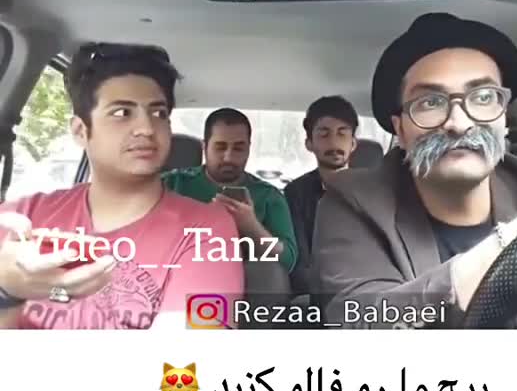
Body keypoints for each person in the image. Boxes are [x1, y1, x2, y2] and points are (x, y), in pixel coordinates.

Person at [310, 12, 517, 328]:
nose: (459, 123)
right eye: (430, 103)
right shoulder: (351, 203)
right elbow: (362, 321)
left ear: (503, 116)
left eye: (482, 97)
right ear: (401, 130)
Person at [0, 43, 244, 329]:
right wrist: (7, 294)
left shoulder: (209, 230)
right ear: (80, 131)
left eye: (159, 114)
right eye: (122, 113)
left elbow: (191, 353)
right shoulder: (20, 217)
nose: (147, 128)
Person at [162, 108, 297, 300]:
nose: (229, 157)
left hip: (243, 293)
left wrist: (250, 226)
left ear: (249, 149)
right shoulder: (172, 184)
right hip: (177, 281)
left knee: (269, 274)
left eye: (238, 148)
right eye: (220, 147)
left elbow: (287, 261)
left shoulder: (268, 196)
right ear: (205, 147)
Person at [284, 96, 358, 296]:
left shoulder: (375, 192)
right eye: (324, 134)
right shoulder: (296, 193)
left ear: (353, 143)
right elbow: (300, 262)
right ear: (309, 143)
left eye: (342, 133)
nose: (334, 142)